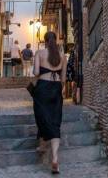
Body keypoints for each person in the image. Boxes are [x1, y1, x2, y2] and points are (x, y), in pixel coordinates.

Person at [33, 31, 66, 174]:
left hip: (42, 88)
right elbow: (63, 79)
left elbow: (35, 73)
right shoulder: (63, 56)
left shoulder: (39, 53)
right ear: (56, 40)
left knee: (42, 117)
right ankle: (55, 158)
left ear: (45, 41)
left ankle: (42, 145)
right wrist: (58, 89)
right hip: (56, 88)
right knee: (55, 120)